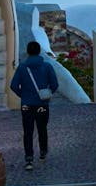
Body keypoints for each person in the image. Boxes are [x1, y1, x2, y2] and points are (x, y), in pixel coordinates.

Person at [10, 41, 59, 171]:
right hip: (42, 104)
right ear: (39, 52)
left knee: (28, 131)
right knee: (42, 128)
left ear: (28, 52)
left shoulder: (22, 67)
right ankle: (43, 152)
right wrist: (47, 94)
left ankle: (29, 158)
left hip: (27, 104)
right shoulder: (47, 66)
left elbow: (13, 86)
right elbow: (55, 85)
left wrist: (23, 95)